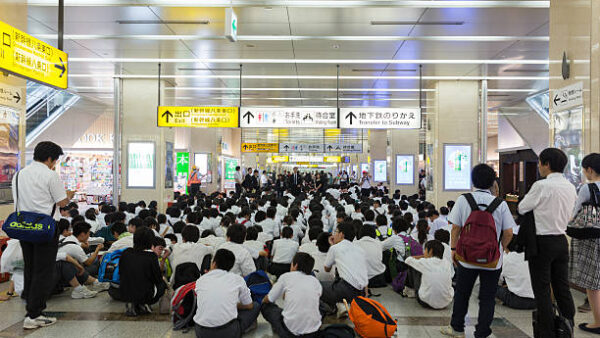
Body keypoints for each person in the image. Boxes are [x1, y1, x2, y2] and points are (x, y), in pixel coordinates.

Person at [441, 164, 515, 338]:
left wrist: (453, 249)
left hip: (466, 257)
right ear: (492, 181)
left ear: (473, 180)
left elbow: (455, 229)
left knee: (462, 293)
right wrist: (501, 248)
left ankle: (457, 329)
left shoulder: (463, 200)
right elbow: (509, 232)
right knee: (487, 297)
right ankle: (482, 332)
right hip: (492, 260)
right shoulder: (500, 204)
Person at [14, 141, 75, 330]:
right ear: (50, 158)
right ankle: (34, 314)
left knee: (31, 268)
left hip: (24, 227)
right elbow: (62, 202)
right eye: (54, 160)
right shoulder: (50, 175)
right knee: (44, 271)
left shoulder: (19, 174)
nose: (54, 164)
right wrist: (70, 195)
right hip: (45, 228)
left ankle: (31, 308)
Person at [518, 148, 577, 338]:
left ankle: (546, 332)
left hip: (542, 243)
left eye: (540, 163)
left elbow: (522, 207)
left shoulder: (541, 186)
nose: (539, 167)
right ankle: (568, 326)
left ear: (547, 164)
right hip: (561, 241)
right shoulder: (570, 187)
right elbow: (571, 215)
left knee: (542, 290)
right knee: (562, 287)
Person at [193, 248, 261, 337]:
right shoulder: (237, 279)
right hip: (228, 332)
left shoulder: (200, 280)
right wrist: (235, 305)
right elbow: (249, 305)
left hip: (201, 332)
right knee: (256, 306)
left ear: (214, 263)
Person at [571, 153, 600, 333]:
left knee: (593, 283)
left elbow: (575, 213)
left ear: (589, 169)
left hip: (592, 238)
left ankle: (597, 322)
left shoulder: (587, 188)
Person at [262, 252, 322, 338]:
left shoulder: (286, 277)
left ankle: (278, 327)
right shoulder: (315, 281)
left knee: (266, 307)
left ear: (295, 265)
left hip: (290, 332)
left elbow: (269, 299)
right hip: (313, 332)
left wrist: (263, 301)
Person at [320, 221, 368, 317]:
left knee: (315, 285)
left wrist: (332, 246)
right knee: (339, 275)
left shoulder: (335, 248)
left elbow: (327, 269)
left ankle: (333, 307)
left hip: (345, 290)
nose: (334, 234)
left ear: (341, 234)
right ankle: (341, 305)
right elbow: (364, 272)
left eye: (336, 232)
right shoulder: (360, 249)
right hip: (361, 292)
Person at [119, 227, 167, 317]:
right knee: (162, 284)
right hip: (145, 294)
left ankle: (132, 303)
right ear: (150, 242)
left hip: (123, 292)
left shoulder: (126, 253)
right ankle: (143, 303)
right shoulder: (151, 256)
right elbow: (157, 279)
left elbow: (121, 272)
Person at [405, 240, 454, 309]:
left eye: (425, 250)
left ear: (430, 251)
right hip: (446, 303)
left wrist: (422, 256)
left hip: (425, 302)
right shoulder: (447, 263)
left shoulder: (424, 261)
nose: (424, 252)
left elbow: (408, 260)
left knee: (413, 267)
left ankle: (409, 292)